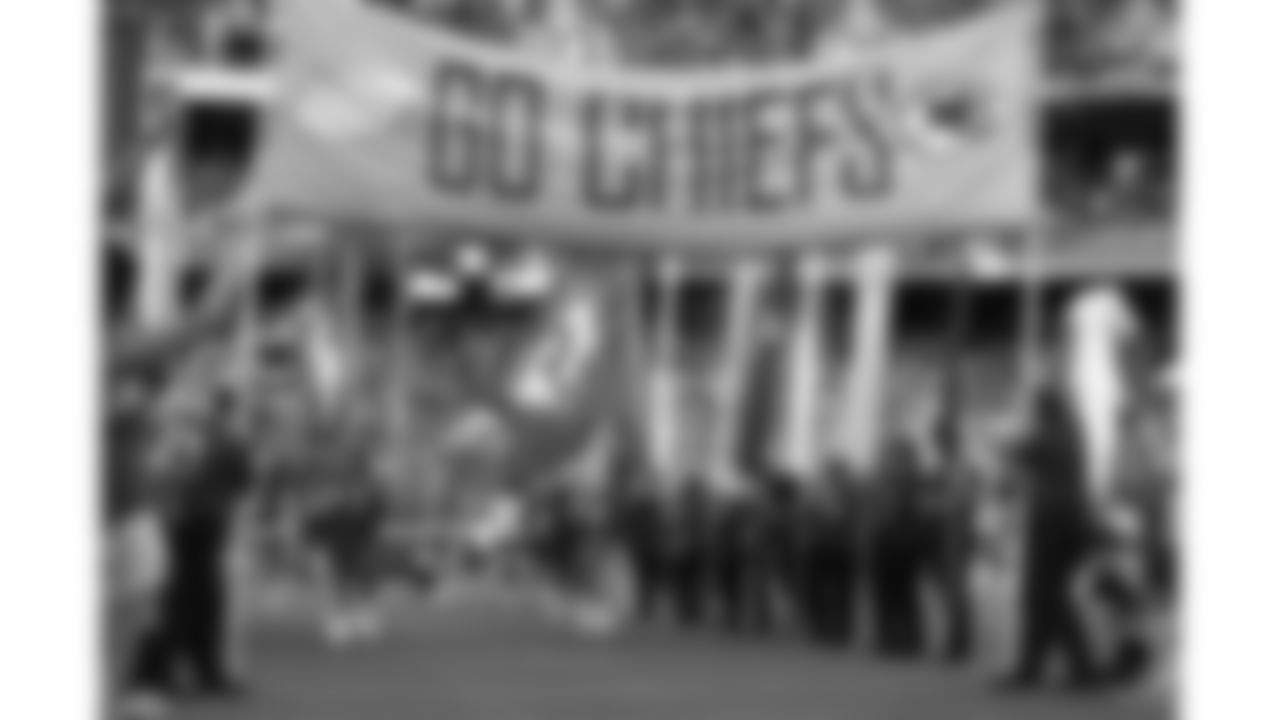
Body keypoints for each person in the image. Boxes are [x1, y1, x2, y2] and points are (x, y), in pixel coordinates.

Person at [126, 391, 254, 712]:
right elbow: (154, 481)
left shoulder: (221, 442)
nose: (190, 418)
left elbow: (240, 483)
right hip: (169, 527)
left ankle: (203, 670)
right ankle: (158, 675)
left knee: (205, 599)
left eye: (195, 413)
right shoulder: (160, 442)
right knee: (171, 601)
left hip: (202, 527)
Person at [1000, 386, 1100, 690]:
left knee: (1044, 596)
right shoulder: (1069, 430)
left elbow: (1021, 450)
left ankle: (1079, 667)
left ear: (1047, 407)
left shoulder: (1057, 433)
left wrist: (1009, 438)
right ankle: (1036, 665)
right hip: (1064, 519)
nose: (1035, 413)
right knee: (1043, 596)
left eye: (1038, 407)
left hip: (1055, 520)